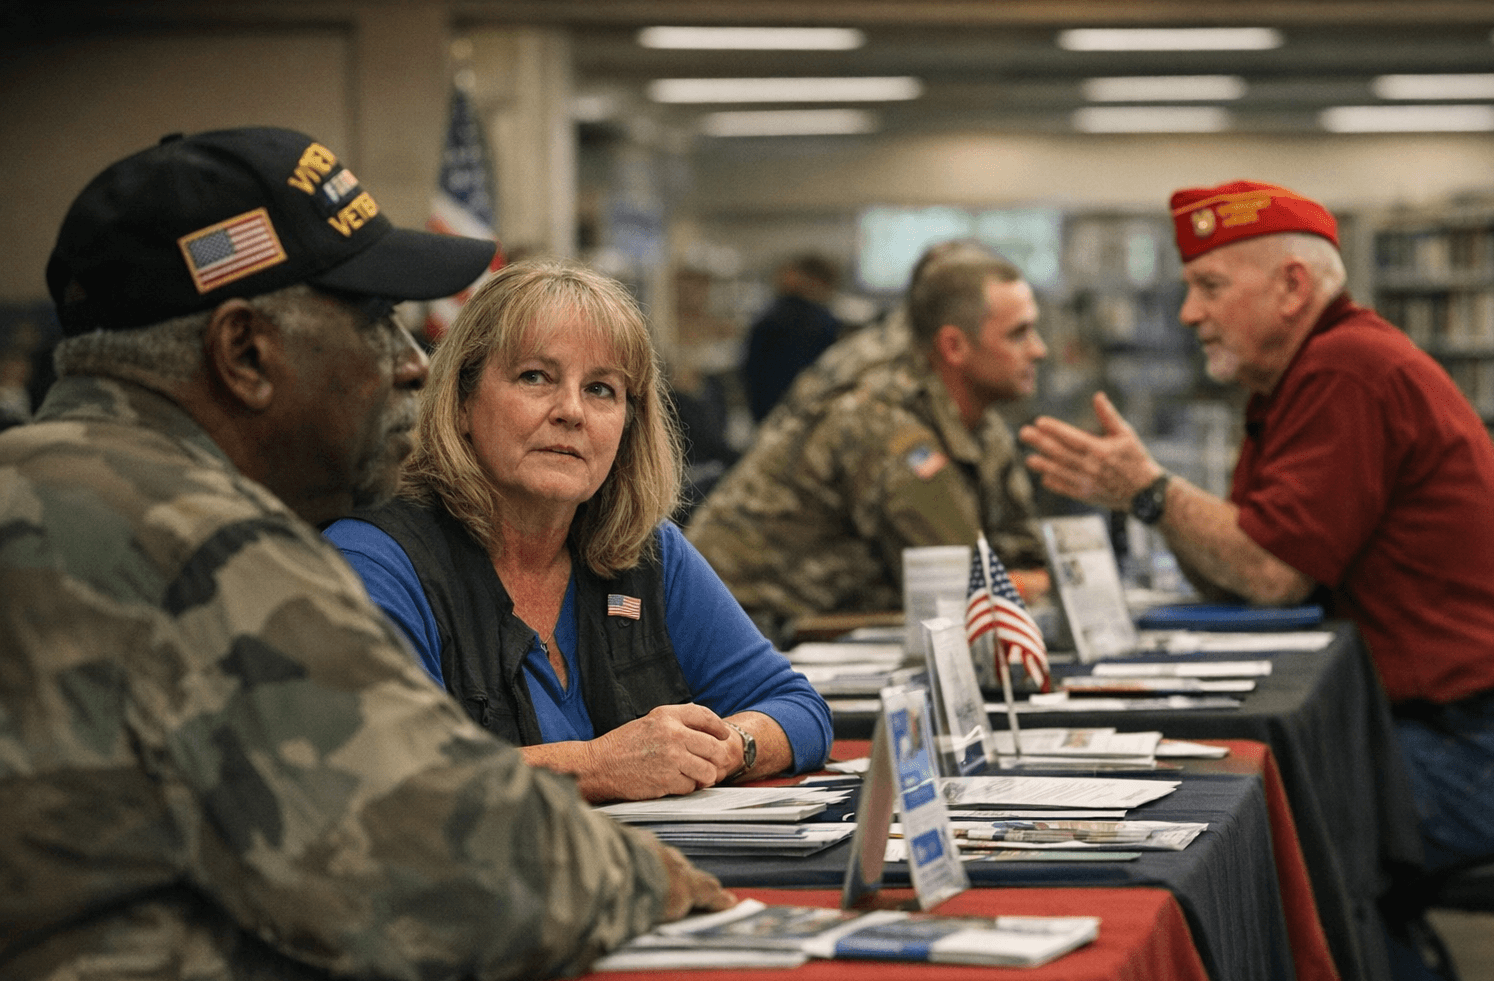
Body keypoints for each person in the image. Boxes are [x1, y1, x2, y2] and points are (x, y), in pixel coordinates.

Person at [0, 128, 734, 981]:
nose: (409, 362)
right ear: (246, 354)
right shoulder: (201, 546)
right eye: (371, 320)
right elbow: (443, 865)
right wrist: (656, 881)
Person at [1019, 179, 1494, 981]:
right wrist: (1158, 501)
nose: (1190, 313)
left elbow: (1268, 571)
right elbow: (1244, 568)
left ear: (1295, 287)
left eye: (1211, 287)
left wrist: (1148, 491)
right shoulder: (1302, 378)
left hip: (1477, 745)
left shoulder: (1347, 370)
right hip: (1440, 728)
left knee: (1264, 845)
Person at [324, 259, 832, 803]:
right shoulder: (374, 560)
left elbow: (798, 709)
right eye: (535, 377)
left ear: (629, 425)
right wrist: (594, 767)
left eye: (601, 389)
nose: (571, 411)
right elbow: (389, 773)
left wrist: (730, 746)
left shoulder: (646, 552)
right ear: (463, 401)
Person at [687, 242, 1051, 640]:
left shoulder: (977, 421)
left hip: (831, 624)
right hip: (749, 631)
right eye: (1019, 334)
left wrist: (1035, 577)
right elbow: (962, 588)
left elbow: (1018, 552)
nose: (1039, 350)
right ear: (953, 346)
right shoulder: (886, 420)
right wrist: (1032, 583)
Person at [742, 252, 842, 422]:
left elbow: (750, 370)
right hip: (809, 414)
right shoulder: (821, 321)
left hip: (770, 412)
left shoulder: (771, 316)